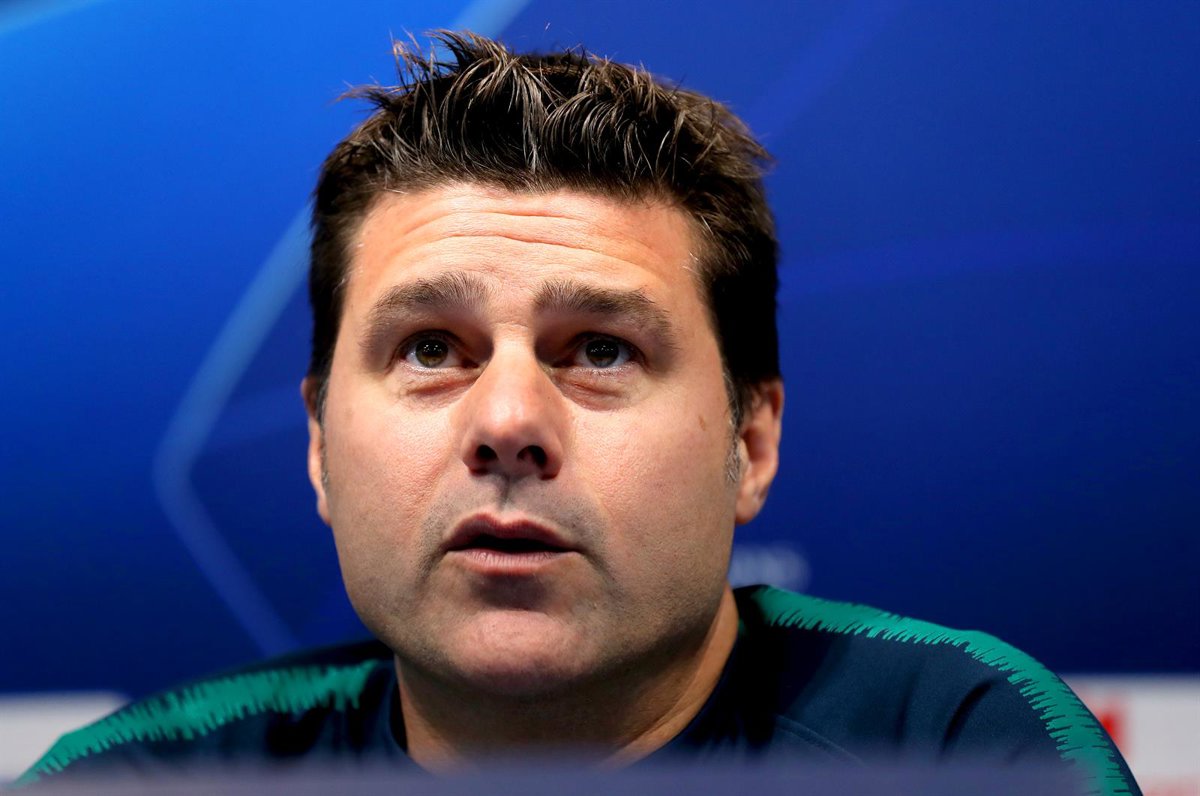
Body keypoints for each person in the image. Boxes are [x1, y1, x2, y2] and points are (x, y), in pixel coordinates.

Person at [19, 31, 1139, 795]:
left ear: (750, 443)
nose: (507, 420)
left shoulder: (964, 753)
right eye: (430, 349)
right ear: (318, 445)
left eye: (602, 350)